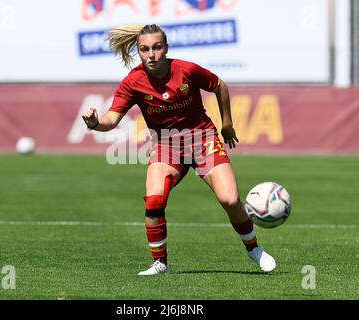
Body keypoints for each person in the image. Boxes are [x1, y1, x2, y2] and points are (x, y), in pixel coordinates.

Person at [82, 24, 276, 275]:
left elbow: (220, 86)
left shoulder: (186, 70)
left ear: (166, 48)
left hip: (202, 138)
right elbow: (111, 119)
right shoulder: (133, 81)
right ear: (139, 52)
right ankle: (160, 263)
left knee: (229, 200)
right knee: (154, 201)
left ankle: (253, 249)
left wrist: (227, 124)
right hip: (166, 144)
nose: (151, 54)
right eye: (144, 49)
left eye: (156, 47)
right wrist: (95, 123)